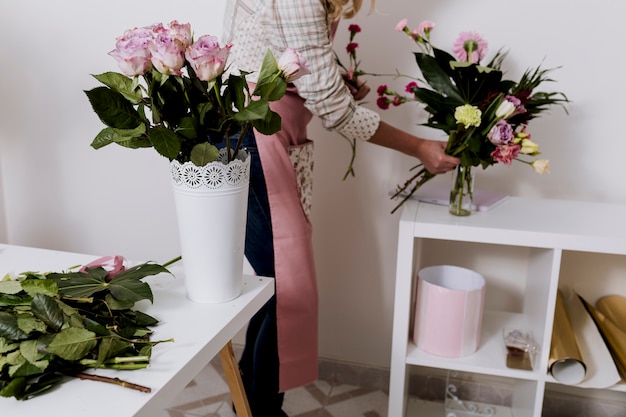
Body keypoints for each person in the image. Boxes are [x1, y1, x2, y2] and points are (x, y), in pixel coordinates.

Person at [222, 1, 460, 415]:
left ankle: (249, 400)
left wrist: (331, 80)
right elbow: (333, 111)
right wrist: (420, 147)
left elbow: (286, 53)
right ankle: (261, 409)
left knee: (274, 286)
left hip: (262, 132)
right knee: (286, 289)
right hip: (256, 136)